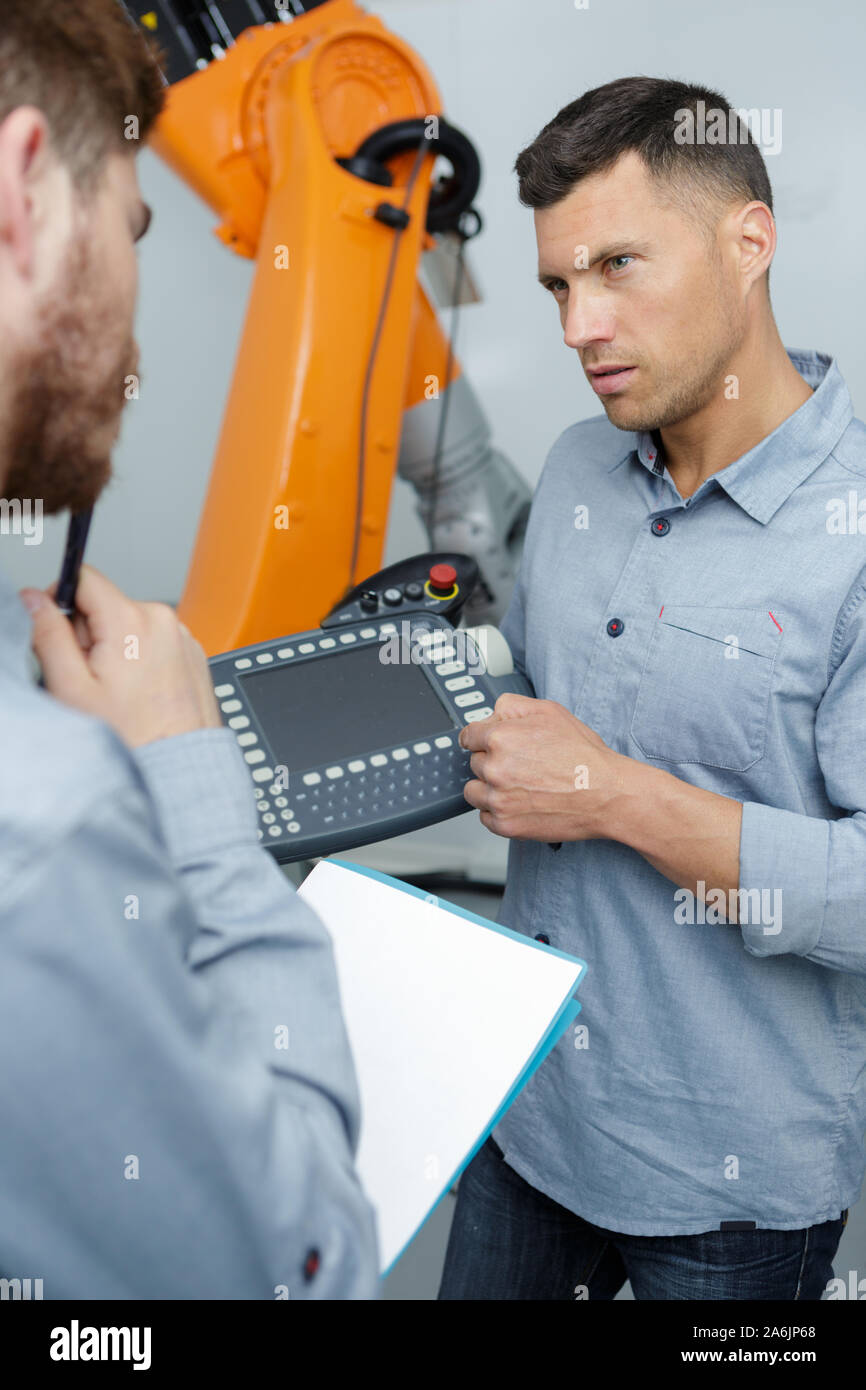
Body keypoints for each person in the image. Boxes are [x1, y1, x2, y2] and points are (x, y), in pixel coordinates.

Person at [439, 76, 862, 1301]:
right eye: (558, 285)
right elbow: (540, 701)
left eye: (617, 266)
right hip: (528, 1120)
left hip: (725, 1205)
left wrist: (611, 795)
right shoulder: (577, 468)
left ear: (748, 241)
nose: (578, 324)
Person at [0, 1, 379, 1298]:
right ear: (21, 190)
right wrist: (180, 773)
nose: (135, 312)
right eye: (133, 227)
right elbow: (300, 1270)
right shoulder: (41, 820)